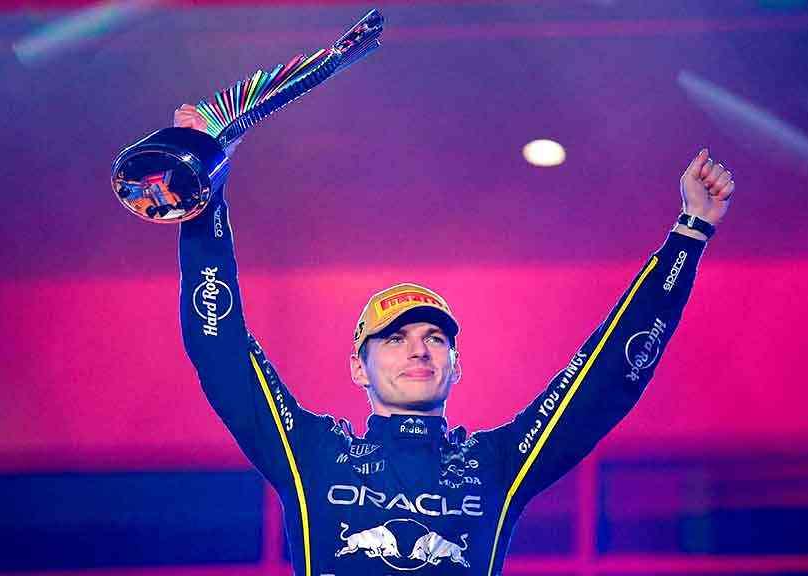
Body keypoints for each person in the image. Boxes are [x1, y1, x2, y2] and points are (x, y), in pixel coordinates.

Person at [173, 104, 734, 575]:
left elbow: (604, 380)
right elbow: (220, 351)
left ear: (456, 365)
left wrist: (690, 234)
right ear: (358, 367)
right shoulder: (313, 455)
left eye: (435, 338)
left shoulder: (495, 464)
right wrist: (204, 200)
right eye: (394, 338)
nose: (418, 349)